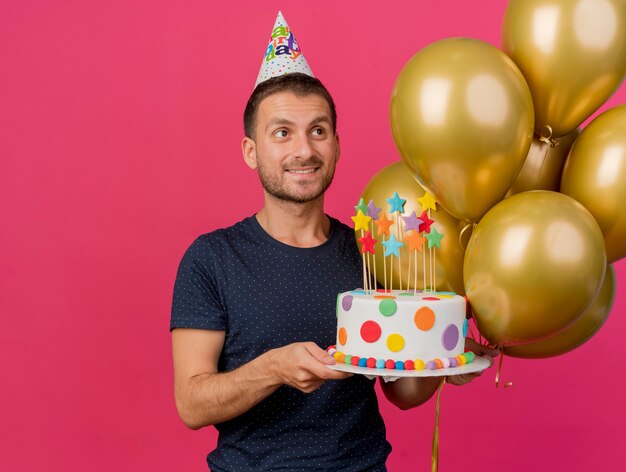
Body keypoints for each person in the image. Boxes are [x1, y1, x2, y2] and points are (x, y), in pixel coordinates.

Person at [171, 12, 497, 471]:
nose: (304, 150)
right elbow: (191, 403)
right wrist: (273, 369)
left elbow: (401, 392)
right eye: (282, 133)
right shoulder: (212, 259)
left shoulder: (373, 252)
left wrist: (442, 362)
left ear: (337, 145)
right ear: (251, 151)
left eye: (318, 131)